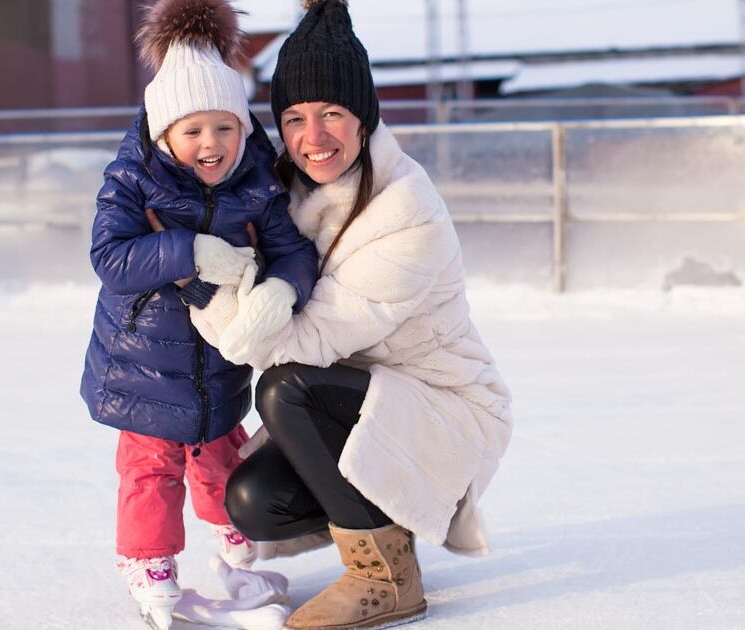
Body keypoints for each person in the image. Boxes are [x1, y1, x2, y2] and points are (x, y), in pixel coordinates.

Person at [181, 1, 514, 628]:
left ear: (365, 117)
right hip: (357, 400)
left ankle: (384, 578)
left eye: (333, 113)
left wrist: (205, 291)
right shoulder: (285, 189)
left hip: (442, 402)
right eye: (296, 118)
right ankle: (385, 523)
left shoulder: (405, 210)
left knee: (285, 387)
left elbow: (306, 339)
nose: (315, 137)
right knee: (254, 501)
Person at [78, 1, 318, 628]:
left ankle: (234, 545)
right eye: (192, 131)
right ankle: (150, 565)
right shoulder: (132, 180)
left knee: (219, 452)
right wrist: (188, 249)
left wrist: (284, 289)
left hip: (218, 354)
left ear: (243, 128)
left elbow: (293, 249)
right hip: (142, 362)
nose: (210, 144)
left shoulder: (258, 182)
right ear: (163, 134)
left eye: (225, 128)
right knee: (150, 463)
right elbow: (110, 257)